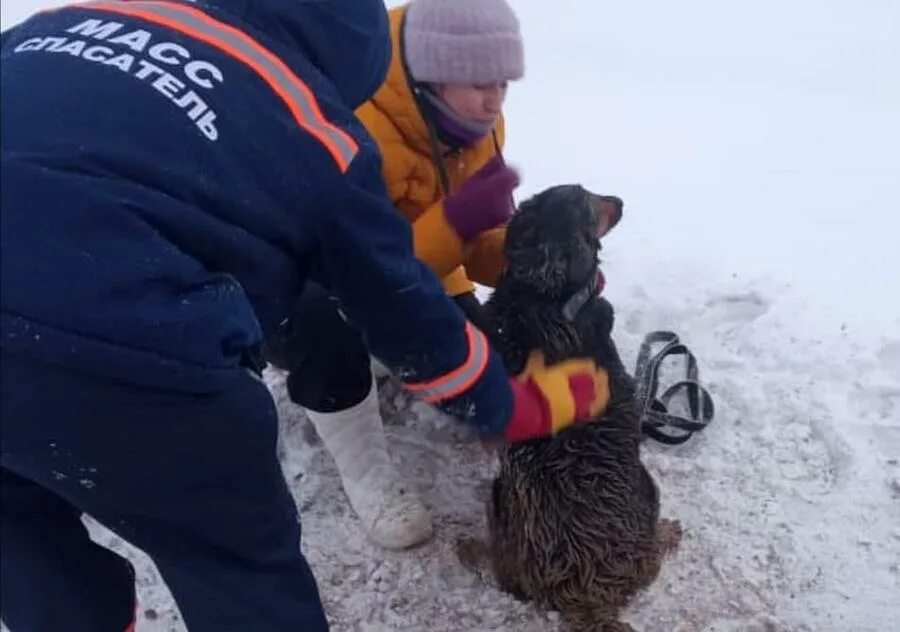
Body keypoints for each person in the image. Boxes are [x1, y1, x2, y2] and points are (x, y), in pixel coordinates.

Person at [0, 1, 609, 630]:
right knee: (236, 567)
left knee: (28, 549)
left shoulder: (68, 20)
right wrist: (509, 405)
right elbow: (397, 300)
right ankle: (359, 460)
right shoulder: (316, 125)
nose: (492, 98)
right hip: (138, 352)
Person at [265, 0, 525, 550]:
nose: (495, 98)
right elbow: (356, 268)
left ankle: (386, 354)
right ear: (432, 73)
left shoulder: (481, 123)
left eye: (504, 81)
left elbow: (475, 249)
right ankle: (365, 471)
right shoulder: (355, 121)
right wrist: (455, 221)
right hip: (310, 276)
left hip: (416, 265)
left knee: (485, 361)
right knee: (323, 327)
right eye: (480, 81)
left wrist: (535, 266)